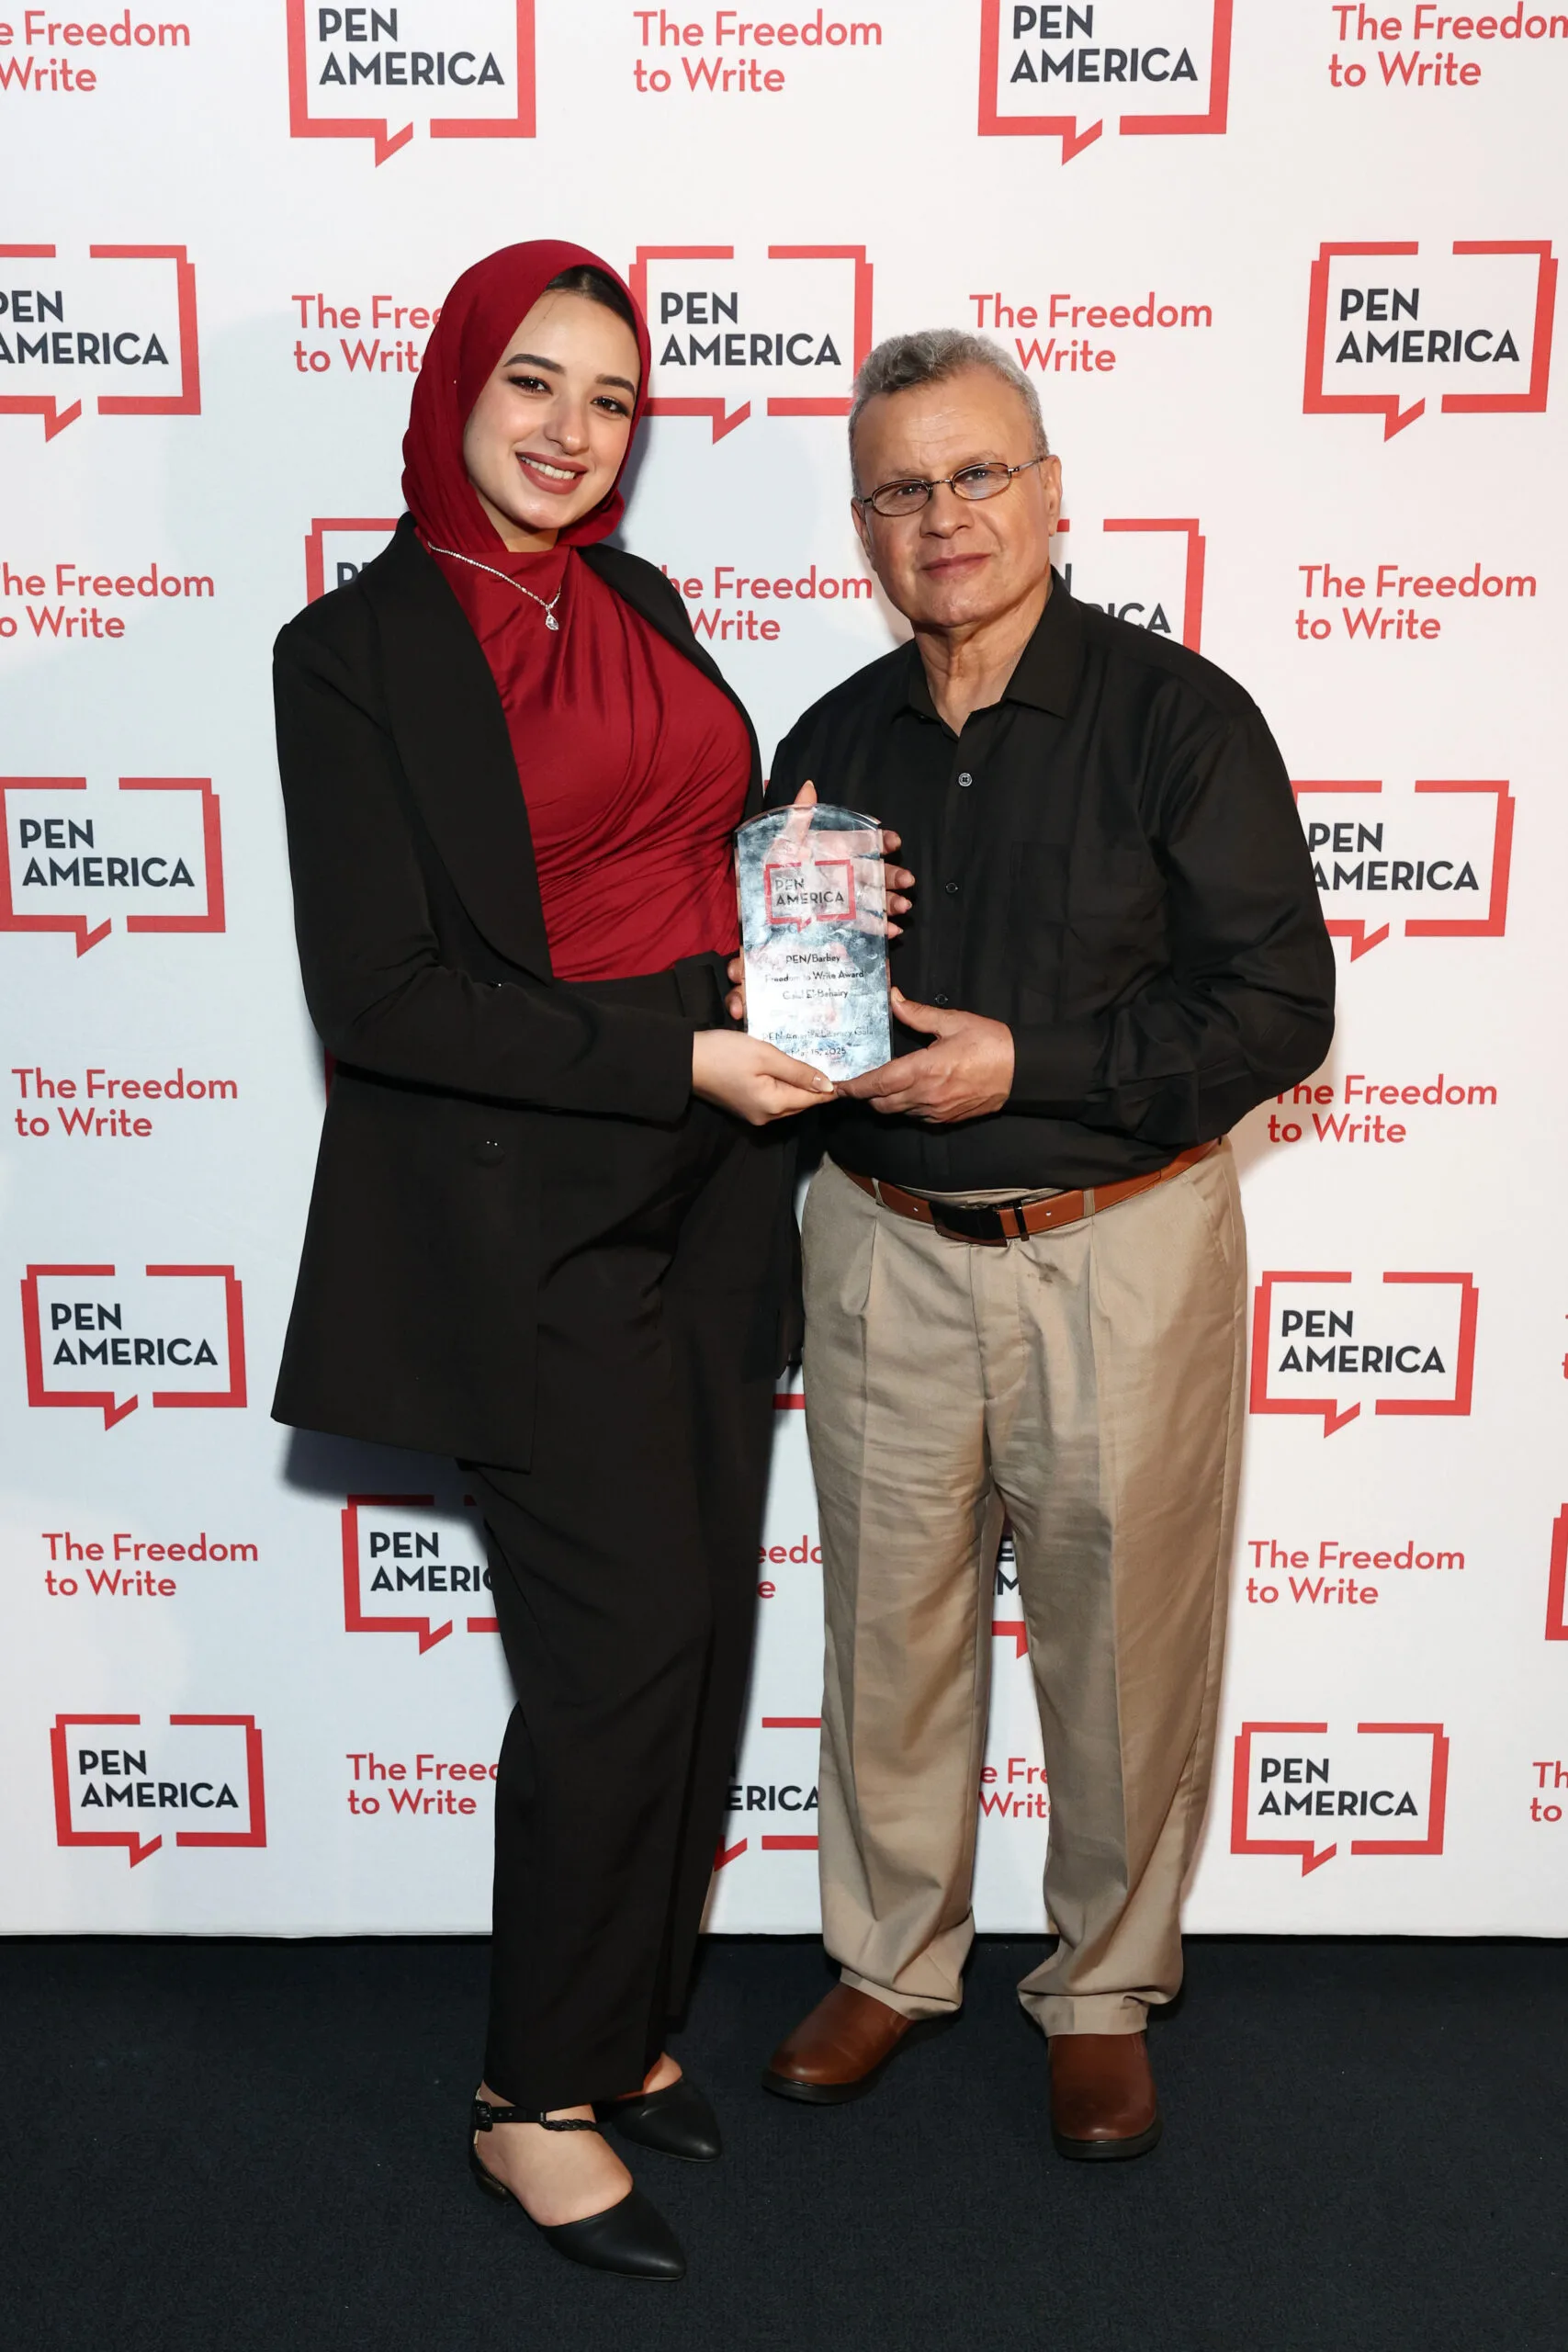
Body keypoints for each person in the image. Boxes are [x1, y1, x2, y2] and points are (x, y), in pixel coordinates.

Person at [270, 242, 852, 2280]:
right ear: (451, 383)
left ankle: (615, 2029)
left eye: (611, 398)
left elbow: (687, 849)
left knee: (689, 1639)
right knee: (615, 1656)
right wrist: (673, 1042)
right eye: (532, 379)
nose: (569, 429)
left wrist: (805, 920)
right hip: (526, 1216)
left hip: (717, 1183)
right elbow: (392, 996)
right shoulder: (350, 652)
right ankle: (526, 2094)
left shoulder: (644, 598)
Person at [756, 330, 1336, 2158]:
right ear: (863, 524)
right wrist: (790, 989)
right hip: (878, 1244)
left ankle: (1099, 1982)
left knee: (1123, 1644)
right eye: (902, 488)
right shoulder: (830, 741)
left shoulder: (1182, 717)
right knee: (888, 1630)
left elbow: (1278, 1006)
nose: (945, 516)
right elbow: (805, 1030)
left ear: (1053, 492)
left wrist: (1037, 1061)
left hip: (1119, 1246)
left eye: (977, 473)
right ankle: (887, 1953)